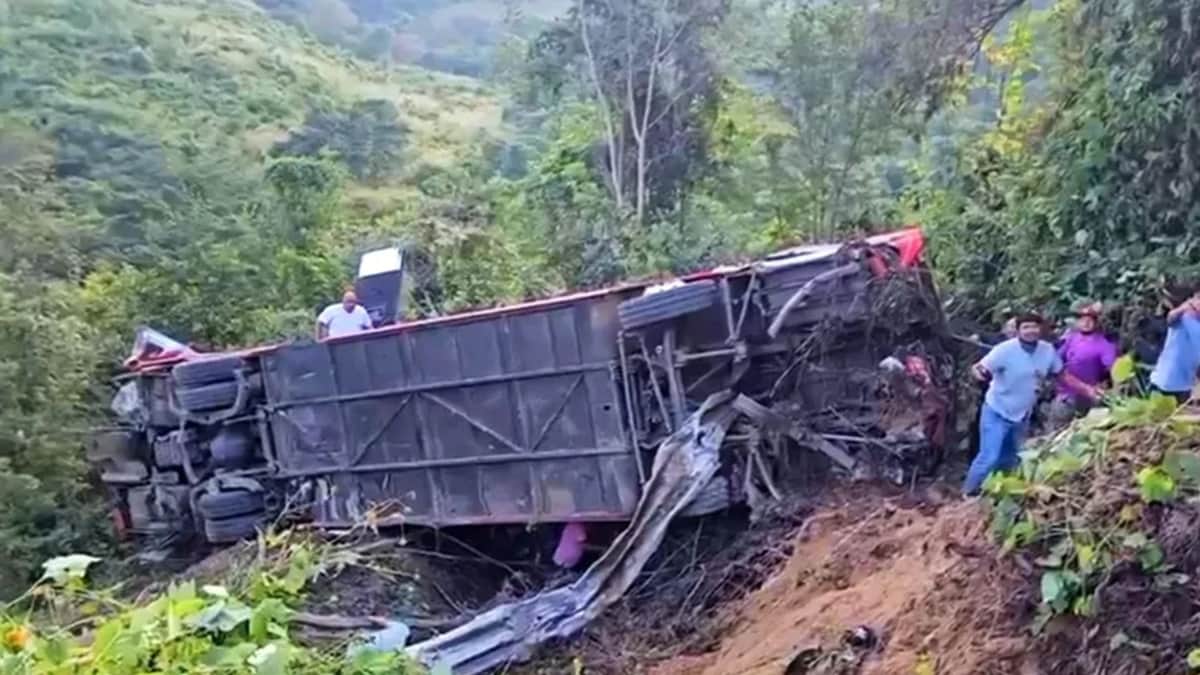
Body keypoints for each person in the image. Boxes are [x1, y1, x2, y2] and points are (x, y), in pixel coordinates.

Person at [963, 312, 1101, 495]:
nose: (1030, 331)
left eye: (1034, 327)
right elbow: (979, 368)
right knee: (989, 457)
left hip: (1022, 415)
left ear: (1041, 329)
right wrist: (978, 373)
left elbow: (1062, 376)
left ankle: (998, 493)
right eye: (1026, 327)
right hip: (997, 411)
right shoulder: (1004, 350)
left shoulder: (1047, 351)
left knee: (1010, 459)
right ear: (1018, 330)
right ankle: (968, 493)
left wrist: (1088, 390)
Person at [1046, 303, 1118, 430]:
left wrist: (1109, 386)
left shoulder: (1104, 344)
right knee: (1056, 431)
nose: (1086, 323)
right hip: (1065, 395)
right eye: (1083, 319)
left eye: (1090, 320)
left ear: (1096, 322)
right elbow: (1055, 360)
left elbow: (1113, 369)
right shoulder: (1070, 339)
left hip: (1090, 395)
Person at [1148, 288, 1200, 404]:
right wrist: (1184, 307)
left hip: (1185, 387)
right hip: (1163, 382)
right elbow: (1170, 318)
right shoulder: (1183, 318)